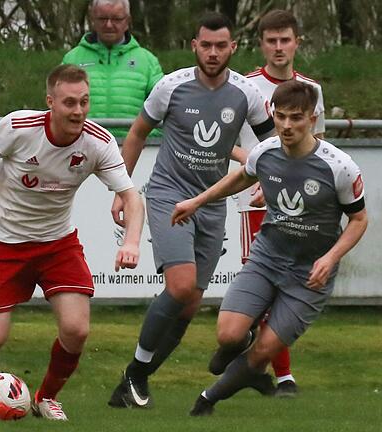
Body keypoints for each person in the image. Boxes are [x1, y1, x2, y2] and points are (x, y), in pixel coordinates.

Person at [0, 65, 144, 421]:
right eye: (69, 103)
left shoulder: (98, 141)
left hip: (57, 243)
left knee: (77, 329)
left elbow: (131, 196)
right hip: (5, 243)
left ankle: (46, 397)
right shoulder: (19, 128)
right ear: (50, 102)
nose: (78, 111)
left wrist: (131, 242)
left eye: (84, 102)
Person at [107, 12, 275, 409]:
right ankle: (136, 372)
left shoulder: (247, 93)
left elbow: (272, 144)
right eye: (206, 45)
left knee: (192, 302)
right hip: (168, 195)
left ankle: (135, 380)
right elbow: (136, 133)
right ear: (194, 45)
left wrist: (270, 183)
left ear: (233, 48)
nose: (213, 53)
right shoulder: (171, 86)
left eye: (221, 46)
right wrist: (122, 188)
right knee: (180, 287)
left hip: (212, 203)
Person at [171, 80, 368, 416]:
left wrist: (330, 257)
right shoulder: (266, 152)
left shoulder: (339, 167)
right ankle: (242, 352)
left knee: (264, 353)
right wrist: (197, 201)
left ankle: (208, 400)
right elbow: (242, 176)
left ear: (312, 118)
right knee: (228, 334)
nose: (287, 126)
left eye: (296, 118)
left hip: (309, 273)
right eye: (280, 117)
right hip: (267, 257)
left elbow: (360, 220)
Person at [227, 9, 328, 398]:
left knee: (292, 286)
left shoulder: (312, 90)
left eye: (285, 39)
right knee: (266, 288)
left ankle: (258, 361)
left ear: (297, 42)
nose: (279, 47)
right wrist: (261, 174)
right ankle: (282, 375)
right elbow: (226, 142)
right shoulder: (245, 86)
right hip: (256, 202)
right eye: (271, 40)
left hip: (301, 206)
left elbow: (319, 147)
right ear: (262, 44)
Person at [62, 0, 163, 137]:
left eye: (116, 19)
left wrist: (144, 141)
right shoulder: (72, 59)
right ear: (92, 19)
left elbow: (163, 109)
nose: (109, 25)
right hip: (83, 148)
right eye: (103, 18)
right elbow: (59, 108)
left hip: (135, 151)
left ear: (127, 21)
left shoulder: (148, 61)